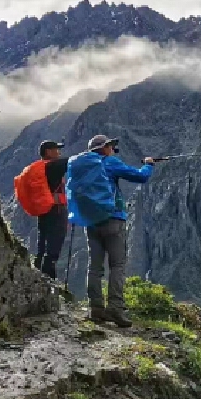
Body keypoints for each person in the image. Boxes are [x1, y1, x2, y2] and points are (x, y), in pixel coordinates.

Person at [66, 134, 154, 327]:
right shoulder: (109, 162)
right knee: (117, 266)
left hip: (91, 222)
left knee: (94, 267)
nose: (113, 150)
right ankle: (115, 308)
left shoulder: (83, 166)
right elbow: (140, 176)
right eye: (111, 146)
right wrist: (148, 164)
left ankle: (96, 309)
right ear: (105, 148)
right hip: (113, 219)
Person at [33, 140, 69, 279]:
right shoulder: (53, 166)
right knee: (54, 245)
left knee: (42, 244)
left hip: (43, 210)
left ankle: (37, 274)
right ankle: (48, 278)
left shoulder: (40, 168)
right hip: (56, 210)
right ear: (48, 151)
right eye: (56, 149)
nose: (59, 152)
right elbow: (73, 161)